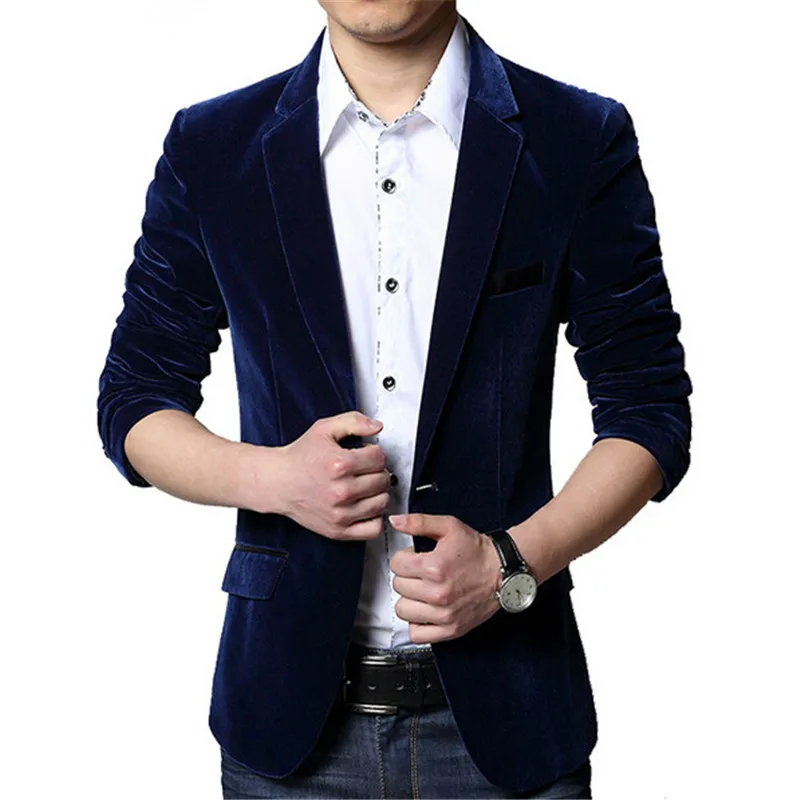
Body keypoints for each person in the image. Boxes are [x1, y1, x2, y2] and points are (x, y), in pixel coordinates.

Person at [97, 1, 693, 797]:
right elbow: (135, 397)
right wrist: (272, 479)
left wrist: (510, 562)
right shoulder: (212, 148)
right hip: (287, 731)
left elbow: (650, 409)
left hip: (509, 720)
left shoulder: (576, 140)